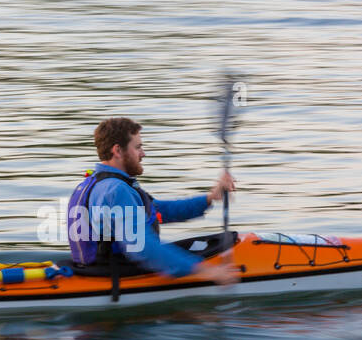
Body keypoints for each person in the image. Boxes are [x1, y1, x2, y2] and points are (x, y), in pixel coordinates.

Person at [68, 117, 238, 285]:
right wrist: (208, 271)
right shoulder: (117, 190)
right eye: (138, 147)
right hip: (114, 274)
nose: (143, 153)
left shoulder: (95, 183)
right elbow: (143, 248)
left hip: (95, 267)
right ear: (118, 151)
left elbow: (159, 211)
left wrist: (209, 198)